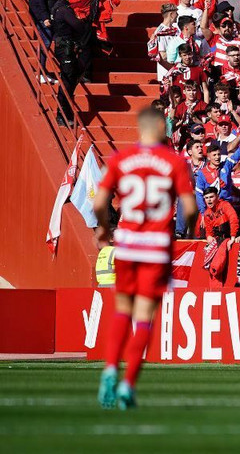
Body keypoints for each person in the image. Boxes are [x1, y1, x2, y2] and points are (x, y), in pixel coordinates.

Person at [92, 106, 198, 409]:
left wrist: (103, 229)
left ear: (140, 129)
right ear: (162, 130)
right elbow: (190, 209)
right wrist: (188, 230)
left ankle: (110, 368)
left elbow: (100, 203)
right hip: (154, 247)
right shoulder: (174, 162)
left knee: (122, 310)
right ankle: (128, 385)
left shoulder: (120, 160)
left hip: (126, 245)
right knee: (144, 319)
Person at [49, 0, 97, 126]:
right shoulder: (64, 10)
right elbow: (79, 27)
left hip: (63, 47)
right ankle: (62, 115)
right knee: (68, 82)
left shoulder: (56, 6)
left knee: (69, 80)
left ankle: (64, 113)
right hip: (66, 49)